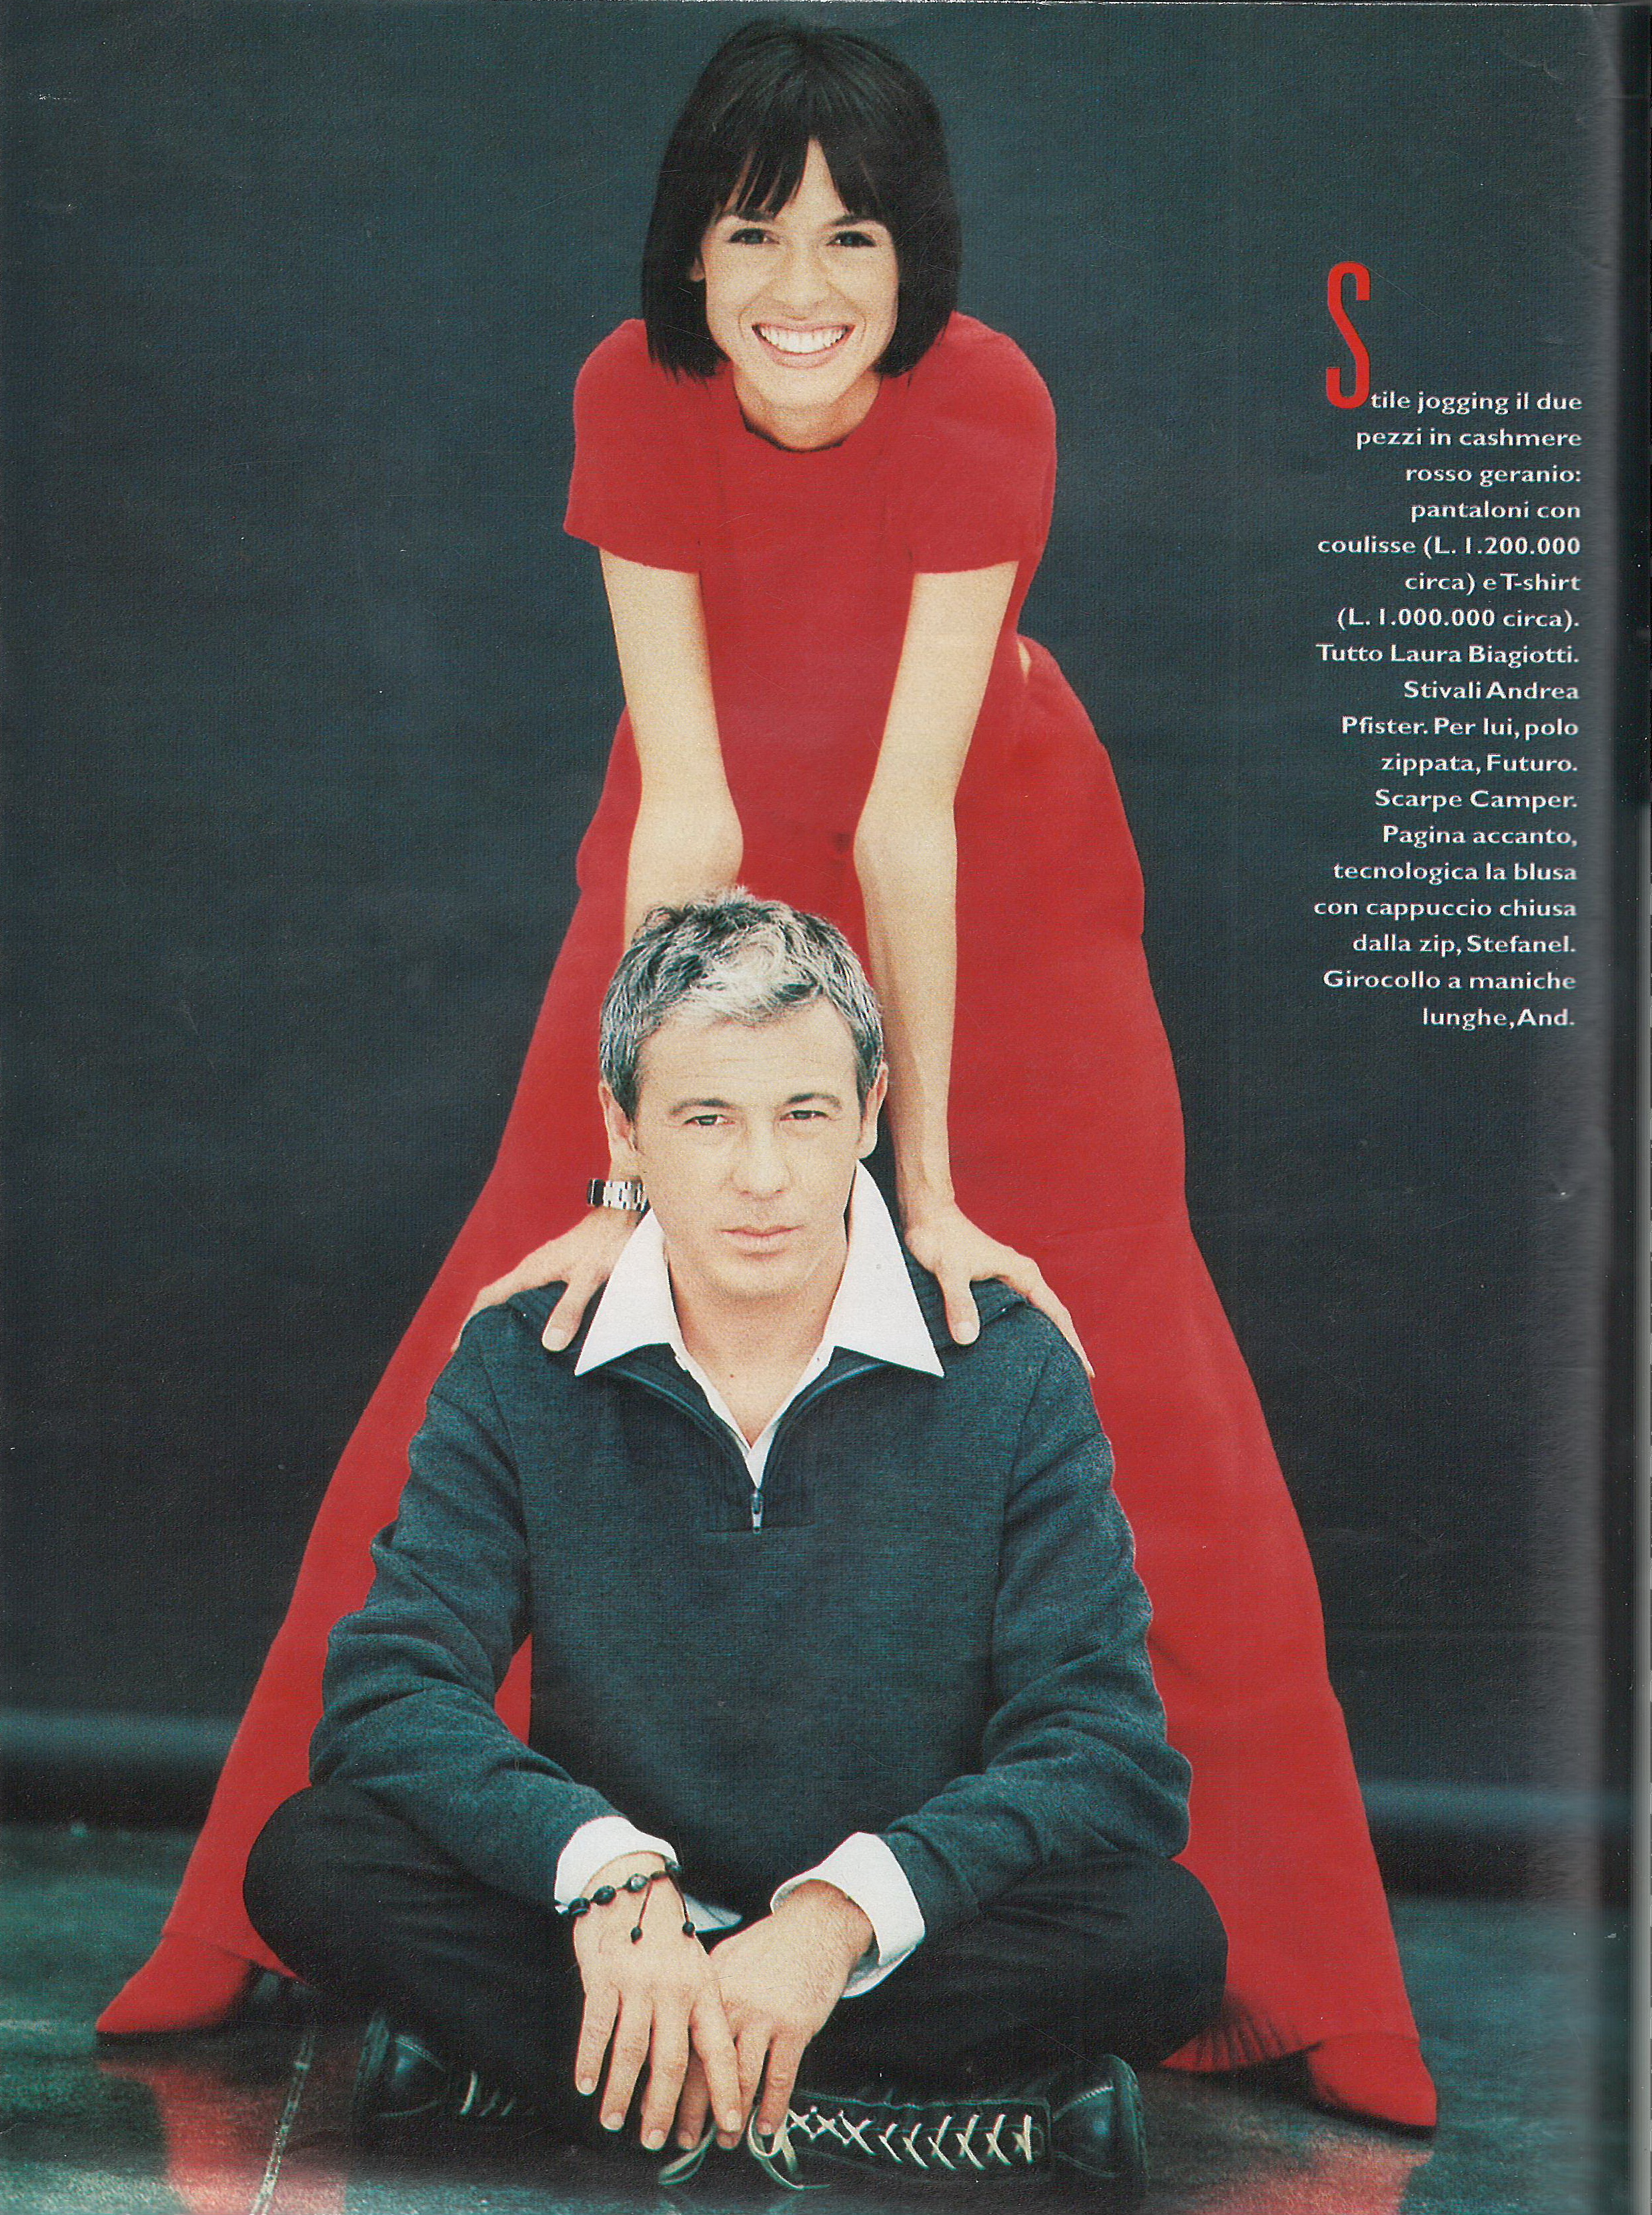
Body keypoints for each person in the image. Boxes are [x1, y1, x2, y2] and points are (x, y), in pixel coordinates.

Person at [101, 18, 1435, 2134]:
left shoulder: (983, 397)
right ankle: (347, 1936)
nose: (800, 287)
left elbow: (909, 821)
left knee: (1133, 1388)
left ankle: (1297, 1976)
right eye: (751, 235)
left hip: (990, 877)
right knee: (521, 1317)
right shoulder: (628, 393)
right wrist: (620, 1180)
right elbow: (692, 807)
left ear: (914, 258)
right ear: (690, 255)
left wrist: (931, 1188)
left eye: (850, 238)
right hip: (699, 857)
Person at [241, 894, 1226, 2203]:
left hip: (879, 1938)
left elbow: (1106, 1751)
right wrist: (604, 1874)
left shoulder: (1007, 1364)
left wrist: (833, 1919)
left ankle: (561, 2079)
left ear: (870, 1114)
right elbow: (390, 1691)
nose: (763, 1174)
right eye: (707, 1118)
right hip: (616, 1919)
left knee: (1162, 1937)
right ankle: (871, 2107)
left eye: (804, 1114)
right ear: (625, 1128)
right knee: (313, 1858)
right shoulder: (525, 1358)